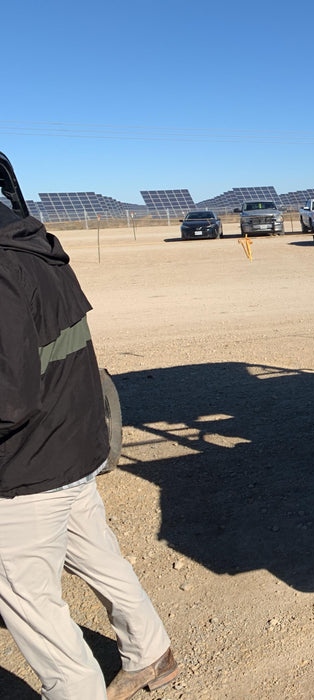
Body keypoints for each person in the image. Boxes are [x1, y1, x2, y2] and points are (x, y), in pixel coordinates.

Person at [0, 202, 178, 700]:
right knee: (99, 558)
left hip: (25, 471)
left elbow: (7, 400)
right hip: (74, 447)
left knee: (29, 601)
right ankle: (151, 655)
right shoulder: (36, 245)